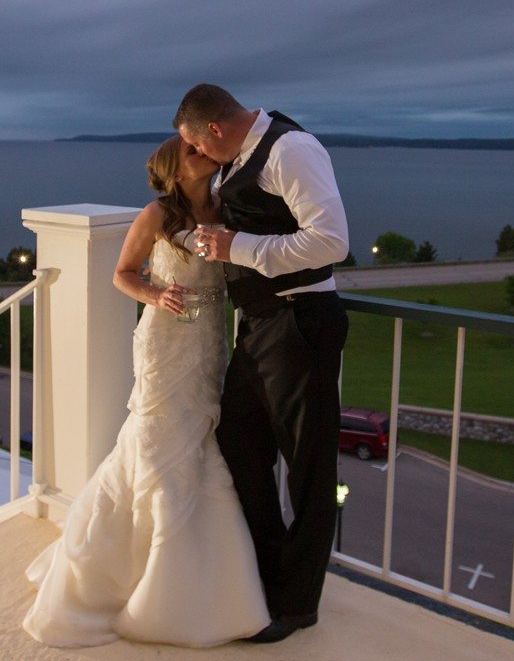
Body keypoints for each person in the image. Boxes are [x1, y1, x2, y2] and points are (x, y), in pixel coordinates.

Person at [21, 136, 270, 648]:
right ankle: (134, 572)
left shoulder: (225, 206)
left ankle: (204, 574)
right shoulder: (157, 213)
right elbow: (122, 275)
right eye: (190, 149)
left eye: (201, 145)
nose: (200, 149)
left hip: (208, 341)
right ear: (176, 169)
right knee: (157, 438)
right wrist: (156, 293)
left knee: (200, 438)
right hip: (164, 340)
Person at [176, 83, 350, 645]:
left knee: (308, 468)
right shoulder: (239, 158)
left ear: (218, 130)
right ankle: (269, 575)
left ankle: (298, 605)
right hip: (261, 326)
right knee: (241, 448)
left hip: (301, 322)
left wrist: (236, 249)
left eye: (196, 146)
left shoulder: (290, 150)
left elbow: (330, 242)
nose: (199, 156)